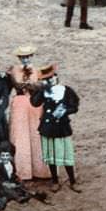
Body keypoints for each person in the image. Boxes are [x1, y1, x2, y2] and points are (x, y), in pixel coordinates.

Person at [30, 63, 81, 192]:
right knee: (51, 155)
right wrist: (39, 90)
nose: (50, 80)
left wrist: (65, 111)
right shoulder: (44, 93)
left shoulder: (66, 90)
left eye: (52, 77)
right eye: (46, 79)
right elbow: (35, 103)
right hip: (47, 127)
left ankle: (72, 180)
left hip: (61, 127)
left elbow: (74, 106)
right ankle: (55, 181)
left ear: (56, 77)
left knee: (66, 154)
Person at [7, 46, 50, 181]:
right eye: (23, 57)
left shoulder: (38, 71)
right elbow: (14, 87)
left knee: (35, 135)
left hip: (35, 104)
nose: (25, 59)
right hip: (19, 104)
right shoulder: (13, 70)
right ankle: (23, 171)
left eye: (28, 56)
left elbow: (44, 87)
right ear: (19, 58)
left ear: (31, 57)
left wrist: (34, 86)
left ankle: (40, 170)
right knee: (21, 136)